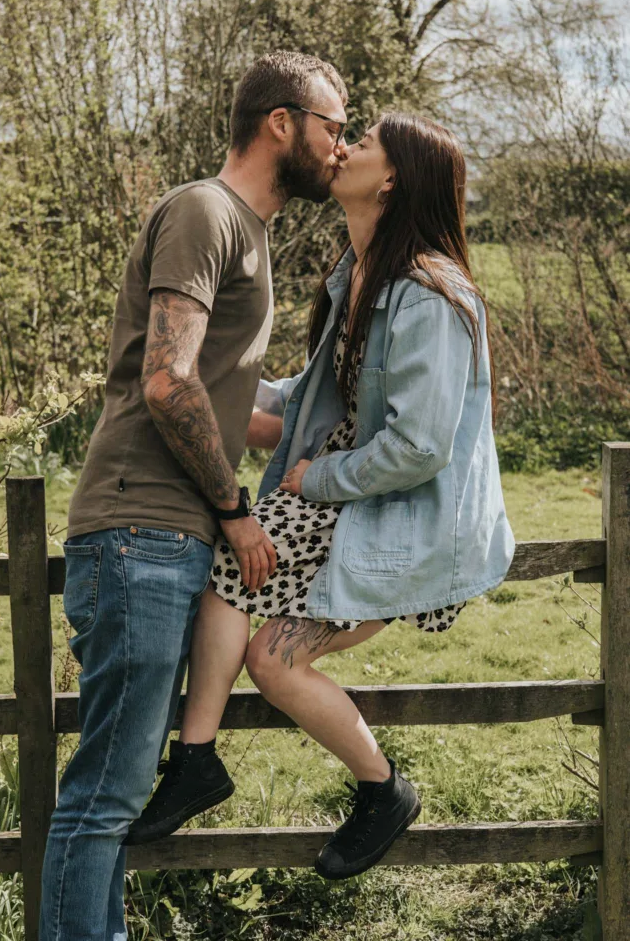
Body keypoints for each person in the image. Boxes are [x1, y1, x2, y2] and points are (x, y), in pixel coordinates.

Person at [125, 112, 516, 881]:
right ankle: (367, 787)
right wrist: (204, 386)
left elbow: (420, 445)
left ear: (394, 175)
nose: (341, 149)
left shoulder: (431, 293)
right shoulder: (355, 274)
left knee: (239, 562)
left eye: (360, 142)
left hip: (396, 507)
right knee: (270, 653)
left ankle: (206, 760)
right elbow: (311, 394)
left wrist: (319, 477)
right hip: (349, 495)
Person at [39, 51, 349, 941]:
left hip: (161, 537)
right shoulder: (204, 212)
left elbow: (220, 402)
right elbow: (169, 384)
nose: (341, 146)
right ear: (281, 123)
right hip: (141, 529)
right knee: (104, 794)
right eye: (333, 125)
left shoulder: (246, 232)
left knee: (115, 790)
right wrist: (236, 513)